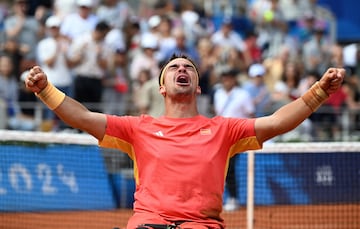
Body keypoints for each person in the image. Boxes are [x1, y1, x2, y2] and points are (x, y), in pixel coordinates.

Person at [25, 54, 345, 229]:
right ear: (162, 87)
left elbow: (276, 122)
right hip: (149, 225)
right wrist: (45, 89)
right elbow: (83, 117)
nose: (182, 69)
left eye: (188, 68)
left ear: (197, 86)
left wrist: (319, 91)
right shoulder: (138, 128)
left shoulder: (224, 129)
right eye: (174, 68)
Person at [213, 68, 255, 211]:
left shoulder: (243, 94)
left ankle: (233, 198)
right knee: (219, 168)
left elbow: (251, 114)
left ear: (234, 79)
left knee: (230, 168)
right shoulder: (218, 94)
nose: (226, 80)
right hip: (220, 137)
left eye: (228, 78)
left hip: (237, 136)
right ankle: (221, 198)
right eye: (224, 78)